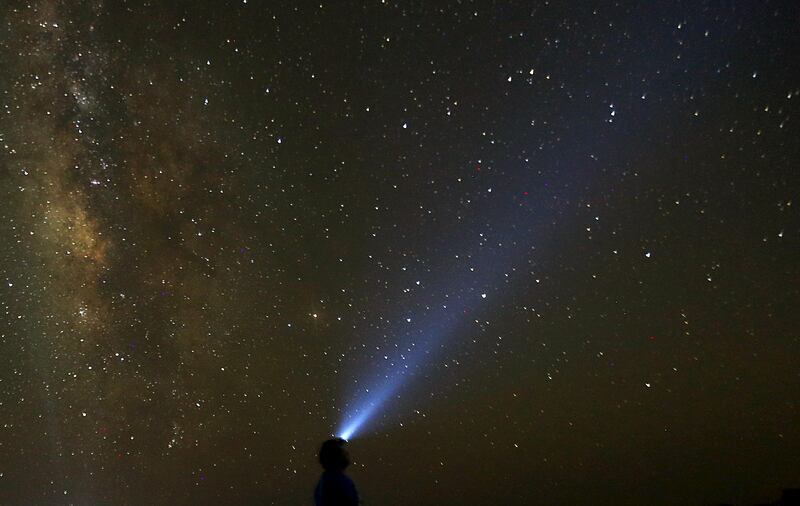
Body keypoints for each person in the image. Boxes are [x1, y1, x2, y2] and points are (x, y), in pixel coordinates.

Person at [314, 438, 359, 506]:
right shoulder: (338, 481)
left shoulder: (325, 481)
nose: (347, 453)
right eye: (343, 452)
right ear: (336, 456)